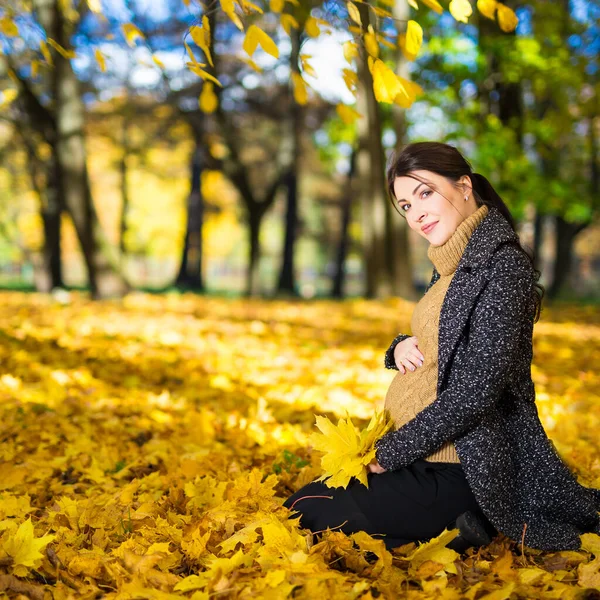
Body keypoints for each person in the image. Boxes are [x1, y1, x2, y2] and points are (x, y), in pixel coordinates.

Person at [283, 141, 600, 553]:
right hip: (422, 453)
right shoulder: (452, 264)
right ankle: (459, 530)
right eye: (405, 206)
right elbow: (441, 342)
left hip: (463, 465)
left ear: (464, 185)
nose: (416, 214)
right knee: (303, 502)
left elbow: (478, 390)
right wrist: (399, 347)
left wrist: (390, 453)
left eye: (424, 193)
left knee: (306, 512)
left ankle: (465, 525)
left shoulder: (503, 267)